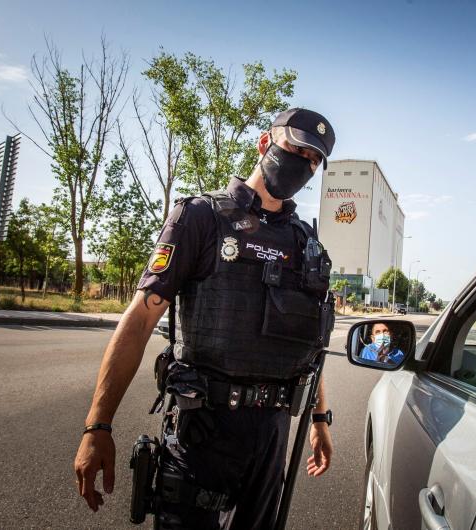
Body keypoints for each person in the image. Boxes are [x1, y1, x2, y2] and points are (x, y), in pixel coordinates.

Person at [73, 108, 337, 529]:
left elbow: (309, 339)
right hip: (203, 431)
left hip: (271, 435)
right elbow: (140, 322)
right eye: (296, 149)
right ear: (265, 143)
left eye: (313, 160)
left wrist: (320, 419)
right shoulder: (199, 217)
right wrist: (97, 426)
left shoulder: (303, 242)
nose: (303, 164)